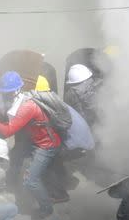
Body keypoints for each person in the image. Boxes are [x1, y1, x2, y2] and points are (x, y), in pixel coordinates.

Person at [0, 71, 61, 220]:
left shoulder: (28, 106)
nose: (5, 95)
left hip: (46, 145)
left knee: (30, 180)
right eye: (4, 93)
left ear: (18, 89)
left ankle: (46, 208)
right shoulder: (21, 98)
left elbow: (7, 131)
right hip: (36, 141)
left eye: (8, 92)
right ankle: (12, 190)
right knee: (15, 159)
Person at [33, 75, 94, 203]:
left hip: (77, 145)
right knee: (53, 153)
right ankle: (64, 181)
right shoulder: (53, 99)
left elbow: (54, 129)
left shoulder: (46, 105)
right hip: (82, 140)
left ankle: (59, 194)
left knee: (47, 158)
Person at [63, 64, 102, 129]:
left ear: (86, 81)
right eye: (73, 85)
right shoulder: (70, 95)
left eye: (77, 85)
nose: (74, 88)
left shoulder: (99, 89)